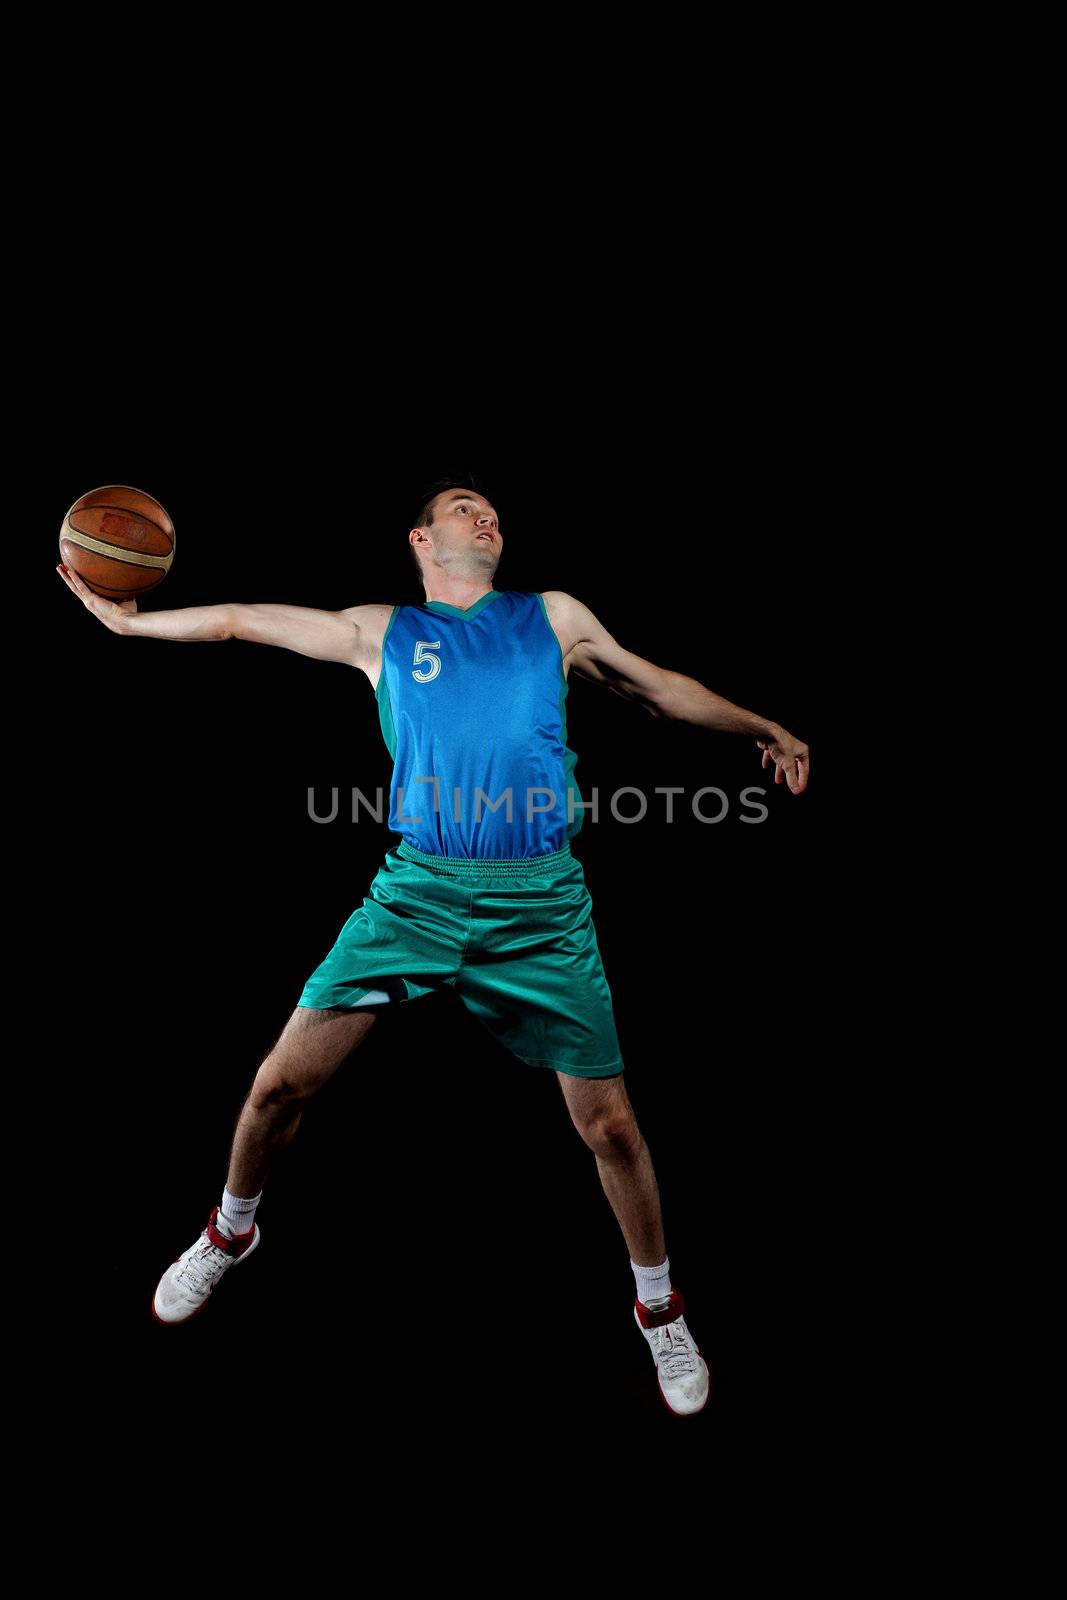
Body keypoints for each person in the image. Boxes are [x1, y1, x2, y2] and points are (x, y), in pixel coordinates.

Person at [56, 475, 809, 1418]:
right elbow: (242, 620)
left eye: (491, 508)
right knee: (276, 1087)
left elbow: (658, 690)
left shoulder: (553, 615)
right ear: (420, 539)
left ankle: (659, 1308)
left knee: (609, 1127)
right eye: (462, 505)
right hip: (417, 895)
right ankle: (230, 1232)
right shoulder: (382, 631)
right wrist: (130, 627)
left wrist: (763, 726)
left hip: (540, 905)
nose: (484, 514)